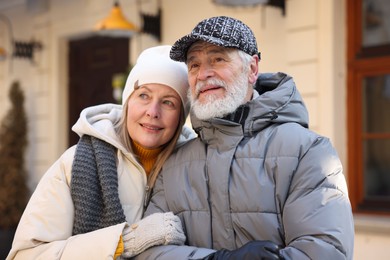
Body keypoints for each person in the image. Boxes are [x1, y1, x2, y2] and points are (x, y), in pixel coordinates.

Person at [134, 16, 355, 260]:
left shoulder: (307, 151)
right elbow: (148, 250)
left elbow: (324, 250)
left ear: (252, 69)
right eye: (194, 65)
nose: (203, 74)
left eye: (217, 59)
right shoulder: (174, 164)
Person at [6, 45, 194, 259]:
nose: (152, 112)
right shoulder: (73, 164)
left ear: (181, 116)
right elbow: (25, 255)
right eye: (143, 96)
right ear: (127, 103)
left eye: (168, 102)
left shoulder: (194, 169)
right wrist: (125, 242)